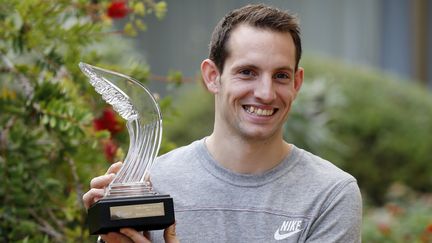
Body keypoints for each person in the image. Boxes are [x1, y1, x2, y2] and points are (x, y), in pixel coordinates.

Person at [83, 4, 362, 243]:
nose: (265, 93)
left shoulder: (330, 194)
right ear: (212, 76)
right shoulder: (154, 183)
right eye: (247, 72)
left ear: (297, 83)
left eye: (280, 76)